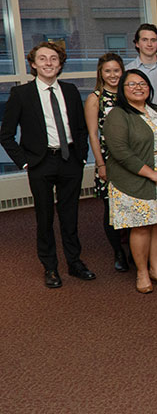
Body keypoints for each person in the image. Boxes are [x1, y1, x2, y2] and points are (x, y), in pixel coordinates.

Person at [1, 42, 95, 288]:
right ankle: (50, 267)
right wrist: (23, 162)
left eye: (54, 58)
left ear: (60, 63)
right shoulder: (21, 94)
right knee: (44, 218)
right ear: (33, 64)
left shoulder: (71, 90)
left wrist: (82, 156)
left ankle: (75, 263)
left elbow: (81, 128)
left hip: (70, 160)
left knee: (70, 216)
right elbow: (6, 134)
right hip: (40, 163)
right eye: (42, 59)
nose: (48, 63)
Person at [102, 69, 157, 293]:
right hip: (134, 179)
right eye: (132, 84)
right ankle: (142, 273)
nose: (138, 87)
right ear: (122, 90)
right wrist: (153, 174)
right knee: (142, 227)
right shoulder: (118, 115)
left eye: (142, 83)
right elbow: (121, 152)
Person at [84, 53, 129, 272]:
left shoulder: (129, 92)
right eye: (108, 71)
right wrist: (101, 165)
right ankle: (118, 252)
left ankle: (134, 248)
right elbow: (93, 134)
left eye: (116, 70)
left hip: (133, 159)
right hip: (109, 160)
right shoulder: (96, 98)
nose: (113, 75)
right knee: (112, 209)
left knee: (132, 205)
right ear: (101, 73)